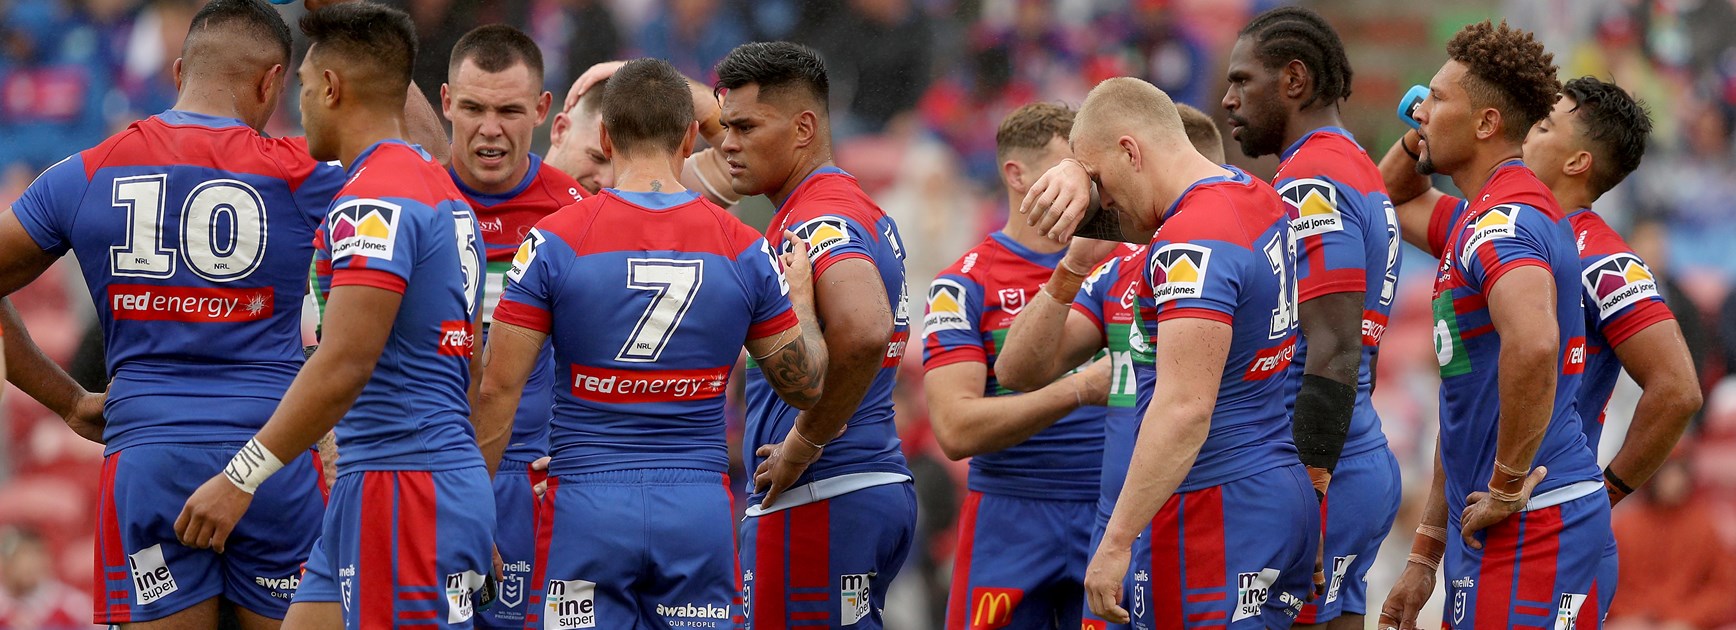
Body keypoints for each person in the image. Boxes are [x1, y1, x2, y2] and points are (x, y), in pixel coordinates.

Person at [0, 1, 378, 626]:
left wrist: (66, 400)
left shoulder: (90, 170)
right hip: (271, 458)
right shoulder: (300, 172)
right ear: (272, 83)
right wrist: (361, 23)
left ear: (178, 71)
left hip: (150, 459)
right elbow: (423, 165)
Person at [475, 56, 827, 630]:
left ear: (606, 138)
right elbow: (806, 386)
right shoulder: (743, 247)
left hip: (586, 505)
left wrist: (472, 514)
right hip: (696, 510)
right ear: (689, 138)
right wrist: (804, 307)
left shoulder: (553, 241)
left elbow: (497, 391)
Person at [172, 4, 495, 628]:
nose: (297, 107)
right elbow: (471, 365)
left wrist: (241, 477)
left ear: (330, 87)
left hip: (403, 486)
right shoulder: (441, 191)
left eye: (301, 88)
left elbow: (345, 361)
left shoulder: (374, 201)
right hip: (395, 481)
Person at [1377, 76, 1701, 626]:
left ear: (1577, 162)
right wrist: (1428, 122)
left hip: (1541, 517)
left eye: (1545, 126)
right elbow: (1393, 196)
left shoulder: (1604, 259)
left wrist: (1602, 493)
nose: (1527, 131)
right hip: (1483, 516)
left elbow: (1678, 390)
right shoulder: (1490, 225)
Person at [1023, 77, 1317, 628]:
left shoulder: (1191, 240)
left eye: (1100, 180)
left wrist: (1115, 542)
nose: (1103, 199)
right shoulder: (1252, 194)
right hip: (1272, 490)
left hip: (1218, 507)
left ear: (1131, 152)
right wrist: (1076, 167)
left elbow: (1184, 410)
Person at [1367, 20, 1609, 630]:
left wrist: (1505, 485)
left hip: (1533, 522)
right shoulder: (1478, 216)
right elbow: (1385, 198)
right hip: (1501, 522)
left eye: (1436, 98)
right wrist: (1425, 551)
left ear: (1485, 123)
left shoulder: (1504, 222)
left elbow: (1535, 343)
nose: (1420, 109)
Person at [995, 103, 1226, 630]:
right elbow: (1016, 371)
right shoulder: (1117, 267)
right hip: (1117, 533)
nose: (1107, 199)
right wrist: (1074, 264)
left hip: (1207, 523)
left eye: (1106, 183)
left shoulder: (1232, 245)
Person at [714, 41, 916, 629]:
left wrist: (803, 444)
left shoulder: (816, 218)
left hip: (819, 495)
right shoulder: (847, 201)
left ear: (803, 128)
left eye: (746, 128)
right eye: (725, 127)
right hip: (858, 484)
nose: (727, 144)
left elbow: (866, 330)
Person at [1220, 8, 1404, 628]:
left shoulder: (1311, 179)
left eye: (1243, 81)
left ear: (1294, 80)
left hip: (1321, 466)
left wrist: (1308, 496)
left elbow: (1334, 346)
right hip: (1352, 451)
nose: (1229, 100)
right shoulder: (1353, 165)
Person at [920, 102, 1112, 630]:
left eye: (1088, 174)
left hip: (1112, 511)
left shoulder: (1123, 264)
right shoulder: (963, 284)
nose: (1081, 186)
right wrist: (1078, 389)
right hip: (1009, 514)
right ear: (1017, 174)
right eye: (1065, 168)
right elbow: (955, 429)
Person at [439, 24, 586, 630]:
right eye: (474, 108)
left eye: (509, 111)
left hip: (535, 481)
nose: (490, 128)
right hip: (424, 473)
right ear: (446, 102)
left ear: (543, 110)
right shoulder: (410, 202)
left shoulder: (576, 215)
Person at [545, 77, 613, 195]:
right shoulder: (510, 197)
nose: (607, 182)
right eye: (596, 157)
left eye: (620, 170)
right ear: (560, 130)